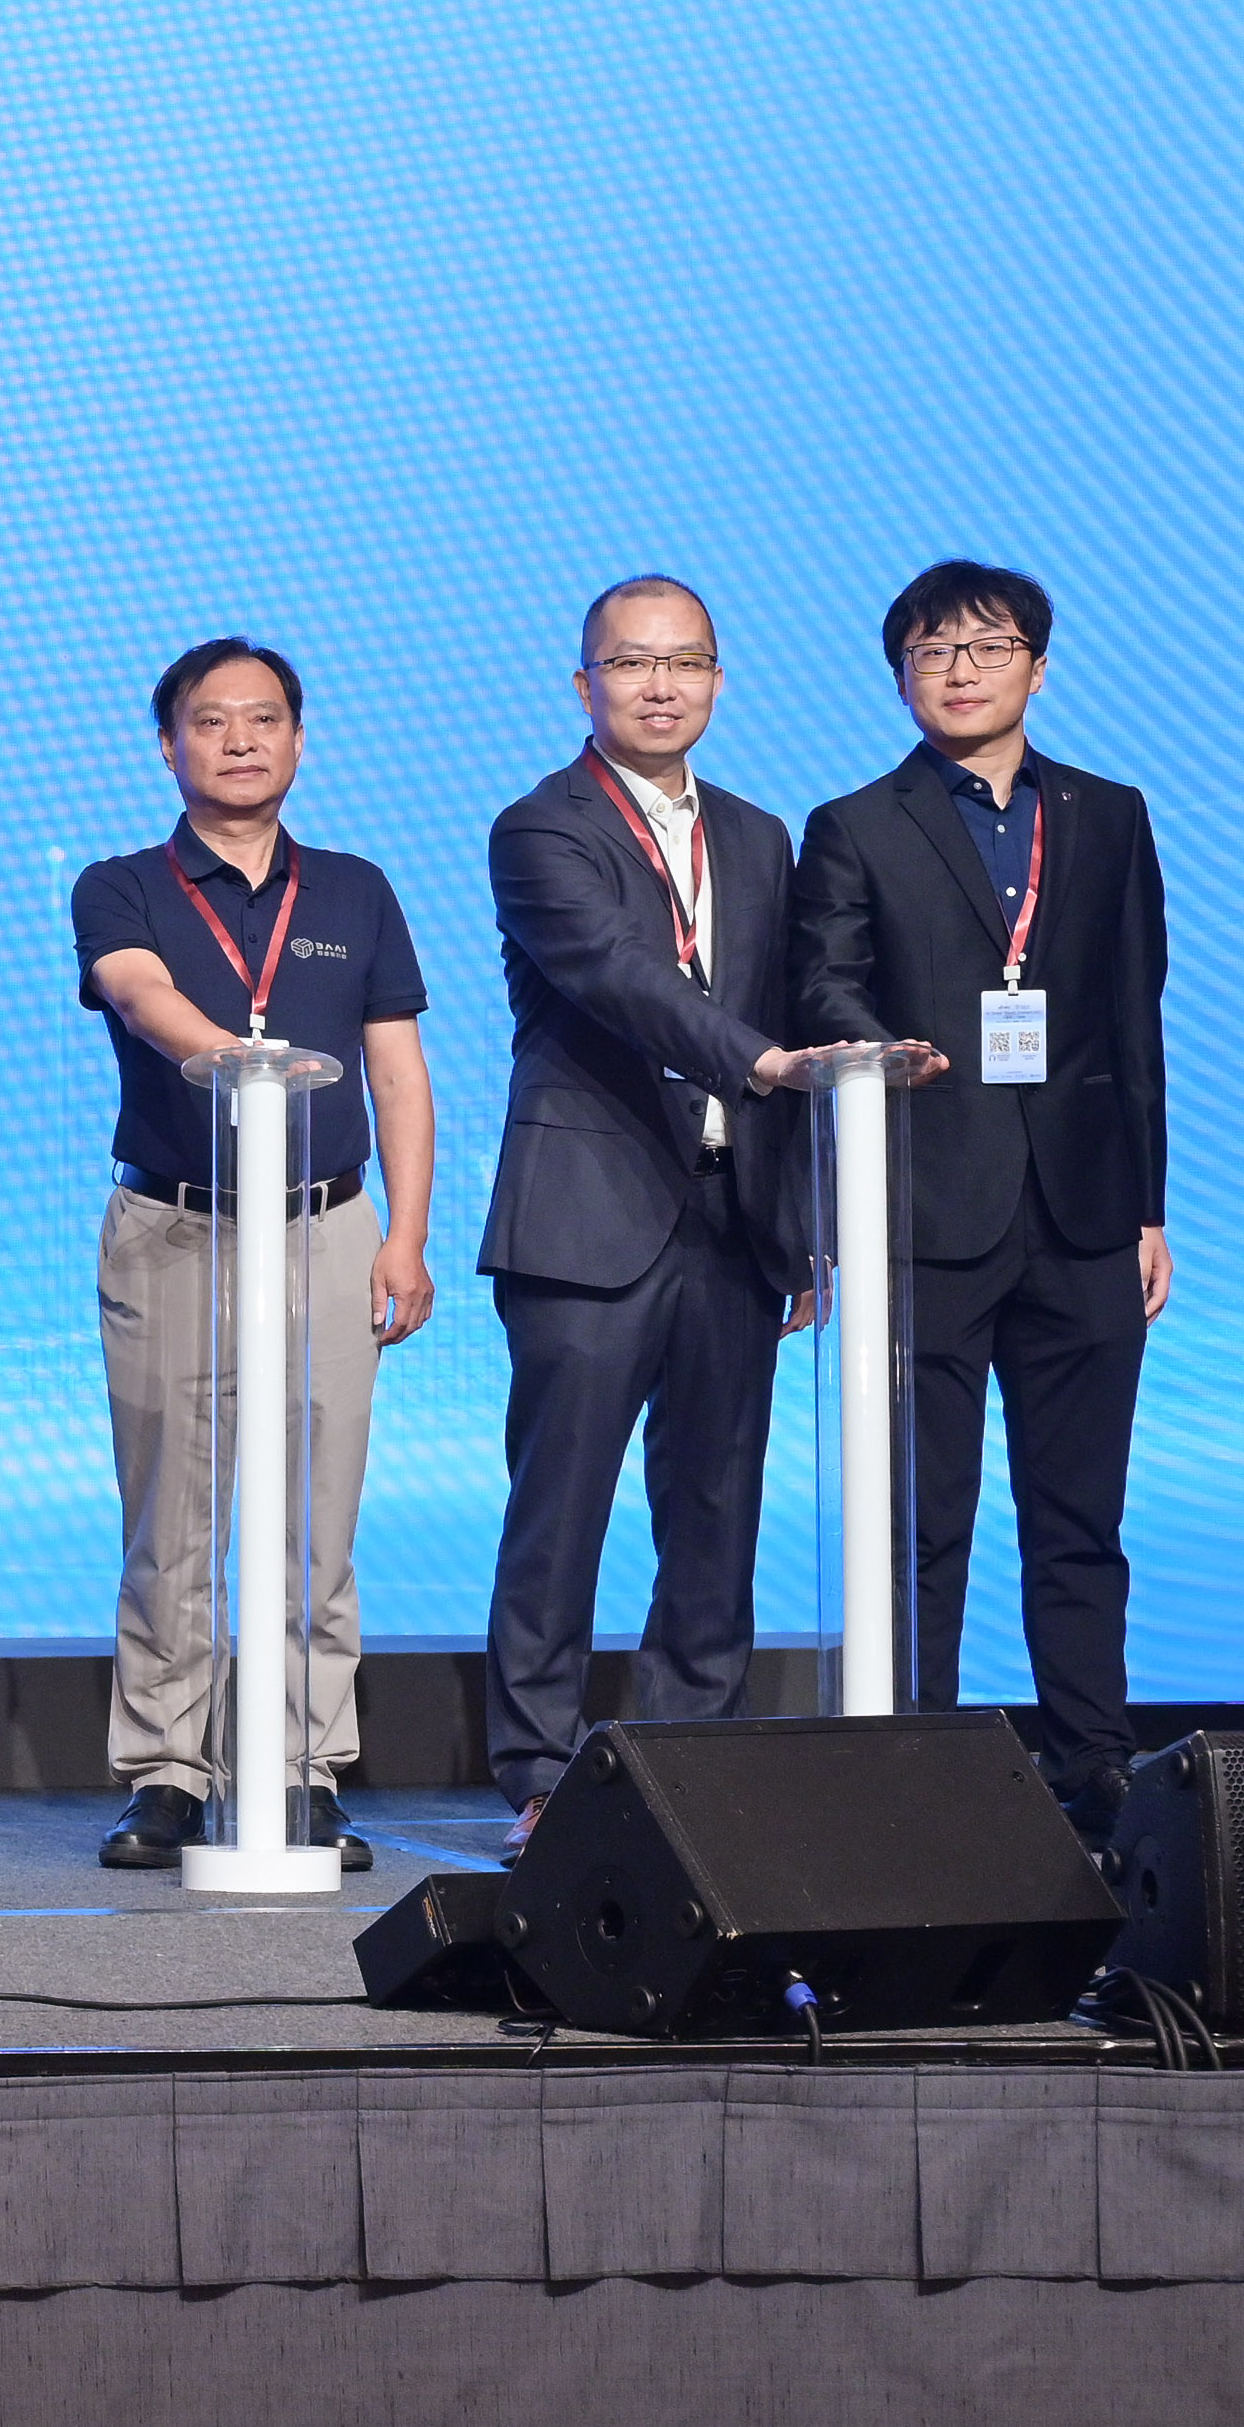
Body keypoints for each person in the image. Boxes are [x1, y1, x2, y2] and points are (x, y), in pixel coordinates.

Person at [793, 559, 1168, 1839]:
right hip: (926, 1207)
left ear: (1038, 669)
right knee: (922, 1518)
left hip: (1084, 1213)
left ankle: (1095, 1758)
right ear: (900, 676)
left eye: (990, 647)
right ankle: (924, 1762)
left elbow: (1133, 1015)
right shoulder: (855, 824)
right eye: (934, 651)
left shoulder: (1109, 814)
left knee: (1081, 1517)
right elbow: (822, 982)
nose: (962, 671)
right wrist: (877, 1046)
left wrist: (1149, 1208)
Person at [475, 575, 831, 1851]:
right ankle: (538, 1774)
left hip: (736, 1221)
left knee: (717, 1510)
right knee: (559, 1508)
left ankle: (692, 1769)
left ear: (718, 681)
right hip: (588, 1213)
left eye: (684, 663)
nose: (660, 685)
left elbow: (791, 1007)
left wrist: (805, 1224)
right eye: (632, 664)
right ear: (586, 685)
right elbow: (620, 977)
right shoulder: (542, 827)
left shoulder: (760, 834)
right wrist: (763, 1063)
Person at [70, 639, 435, 1873]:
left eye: (264, 719)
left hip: (328, 1225)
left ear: (299, 739)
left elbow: (397, 1073)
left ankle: (303, 1764)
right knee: (170, 1518)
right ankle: (167, 1770)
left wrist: (406, 1235)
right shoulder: (122, 884)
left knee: (316, 1521)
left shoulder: (356, 890)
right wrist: (237, 1059)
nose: (240, 740)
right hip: (176, 1224)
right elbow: (138, 996)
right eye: (212, 720)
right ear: (168, 743)